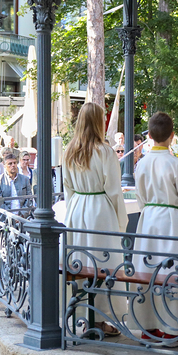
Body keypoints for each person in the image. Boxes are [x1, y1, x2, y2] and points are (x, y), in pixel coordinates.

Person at [133, 112, 178, 340]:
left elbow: (140, 199)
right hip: (173, 223)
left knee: (149, 271)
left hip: (149, 221)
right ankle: (174, 327)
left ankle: (148, 325)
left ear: (150, 136)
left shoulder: (141, 164)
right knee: (173, 273)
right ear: (172, 136)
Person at [63, 102, 128, 336]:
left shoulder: (70, 150)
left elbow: (67, 188)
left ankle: (82, 316)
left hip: (77, 208)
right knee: (103, 263)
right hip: (100, 211)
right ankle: (101, 318)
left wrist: (72, 212)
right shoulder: (105, 151)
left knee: (80, 262)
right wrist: (121, 222)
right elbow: (114, 190)